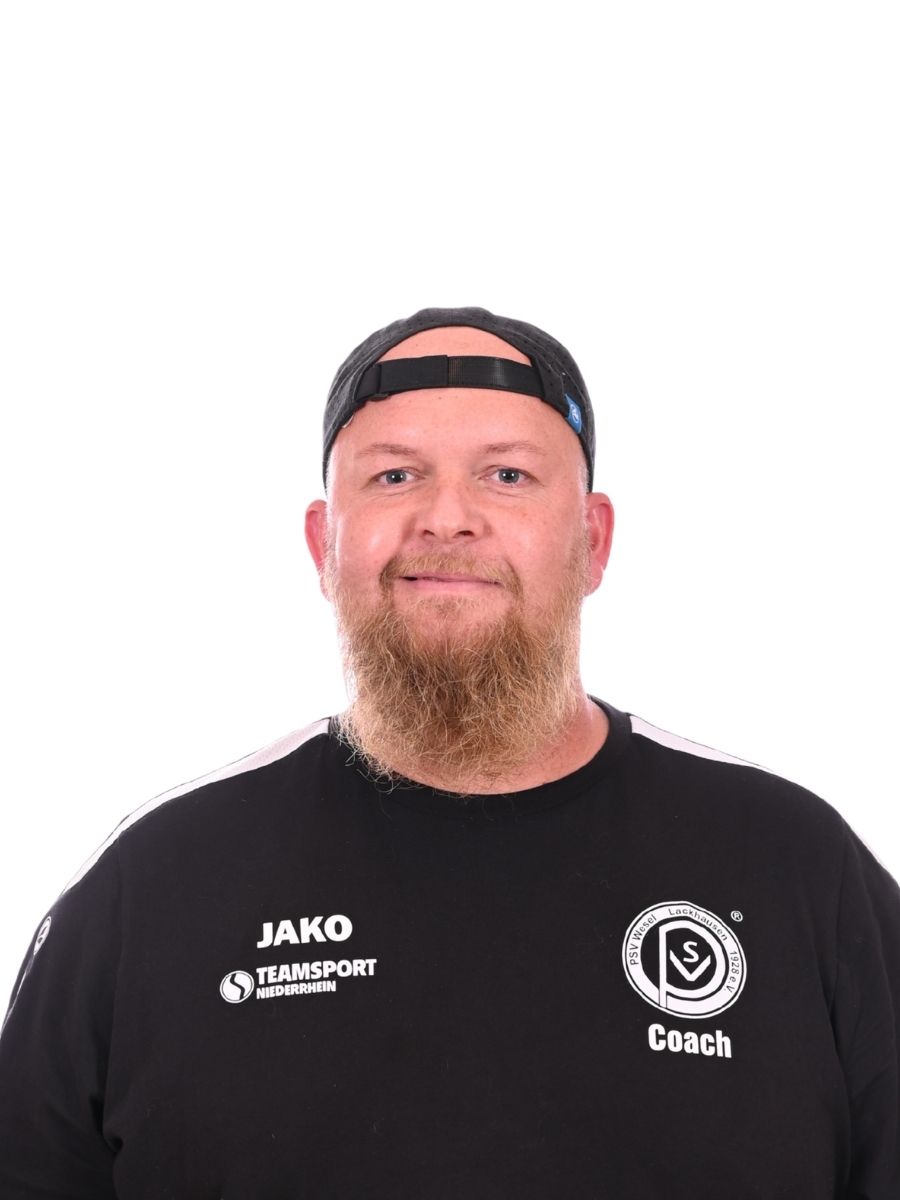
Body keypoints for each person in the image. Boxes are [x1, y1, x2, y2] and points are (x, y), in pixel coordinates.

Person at [0, 305, 897, 1198]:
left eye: (507, 475)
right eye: (395, 476)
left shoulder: (794, 867)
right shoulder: (159, 882)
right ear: (323, 544)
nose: (447, 518)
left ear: (593, 541)